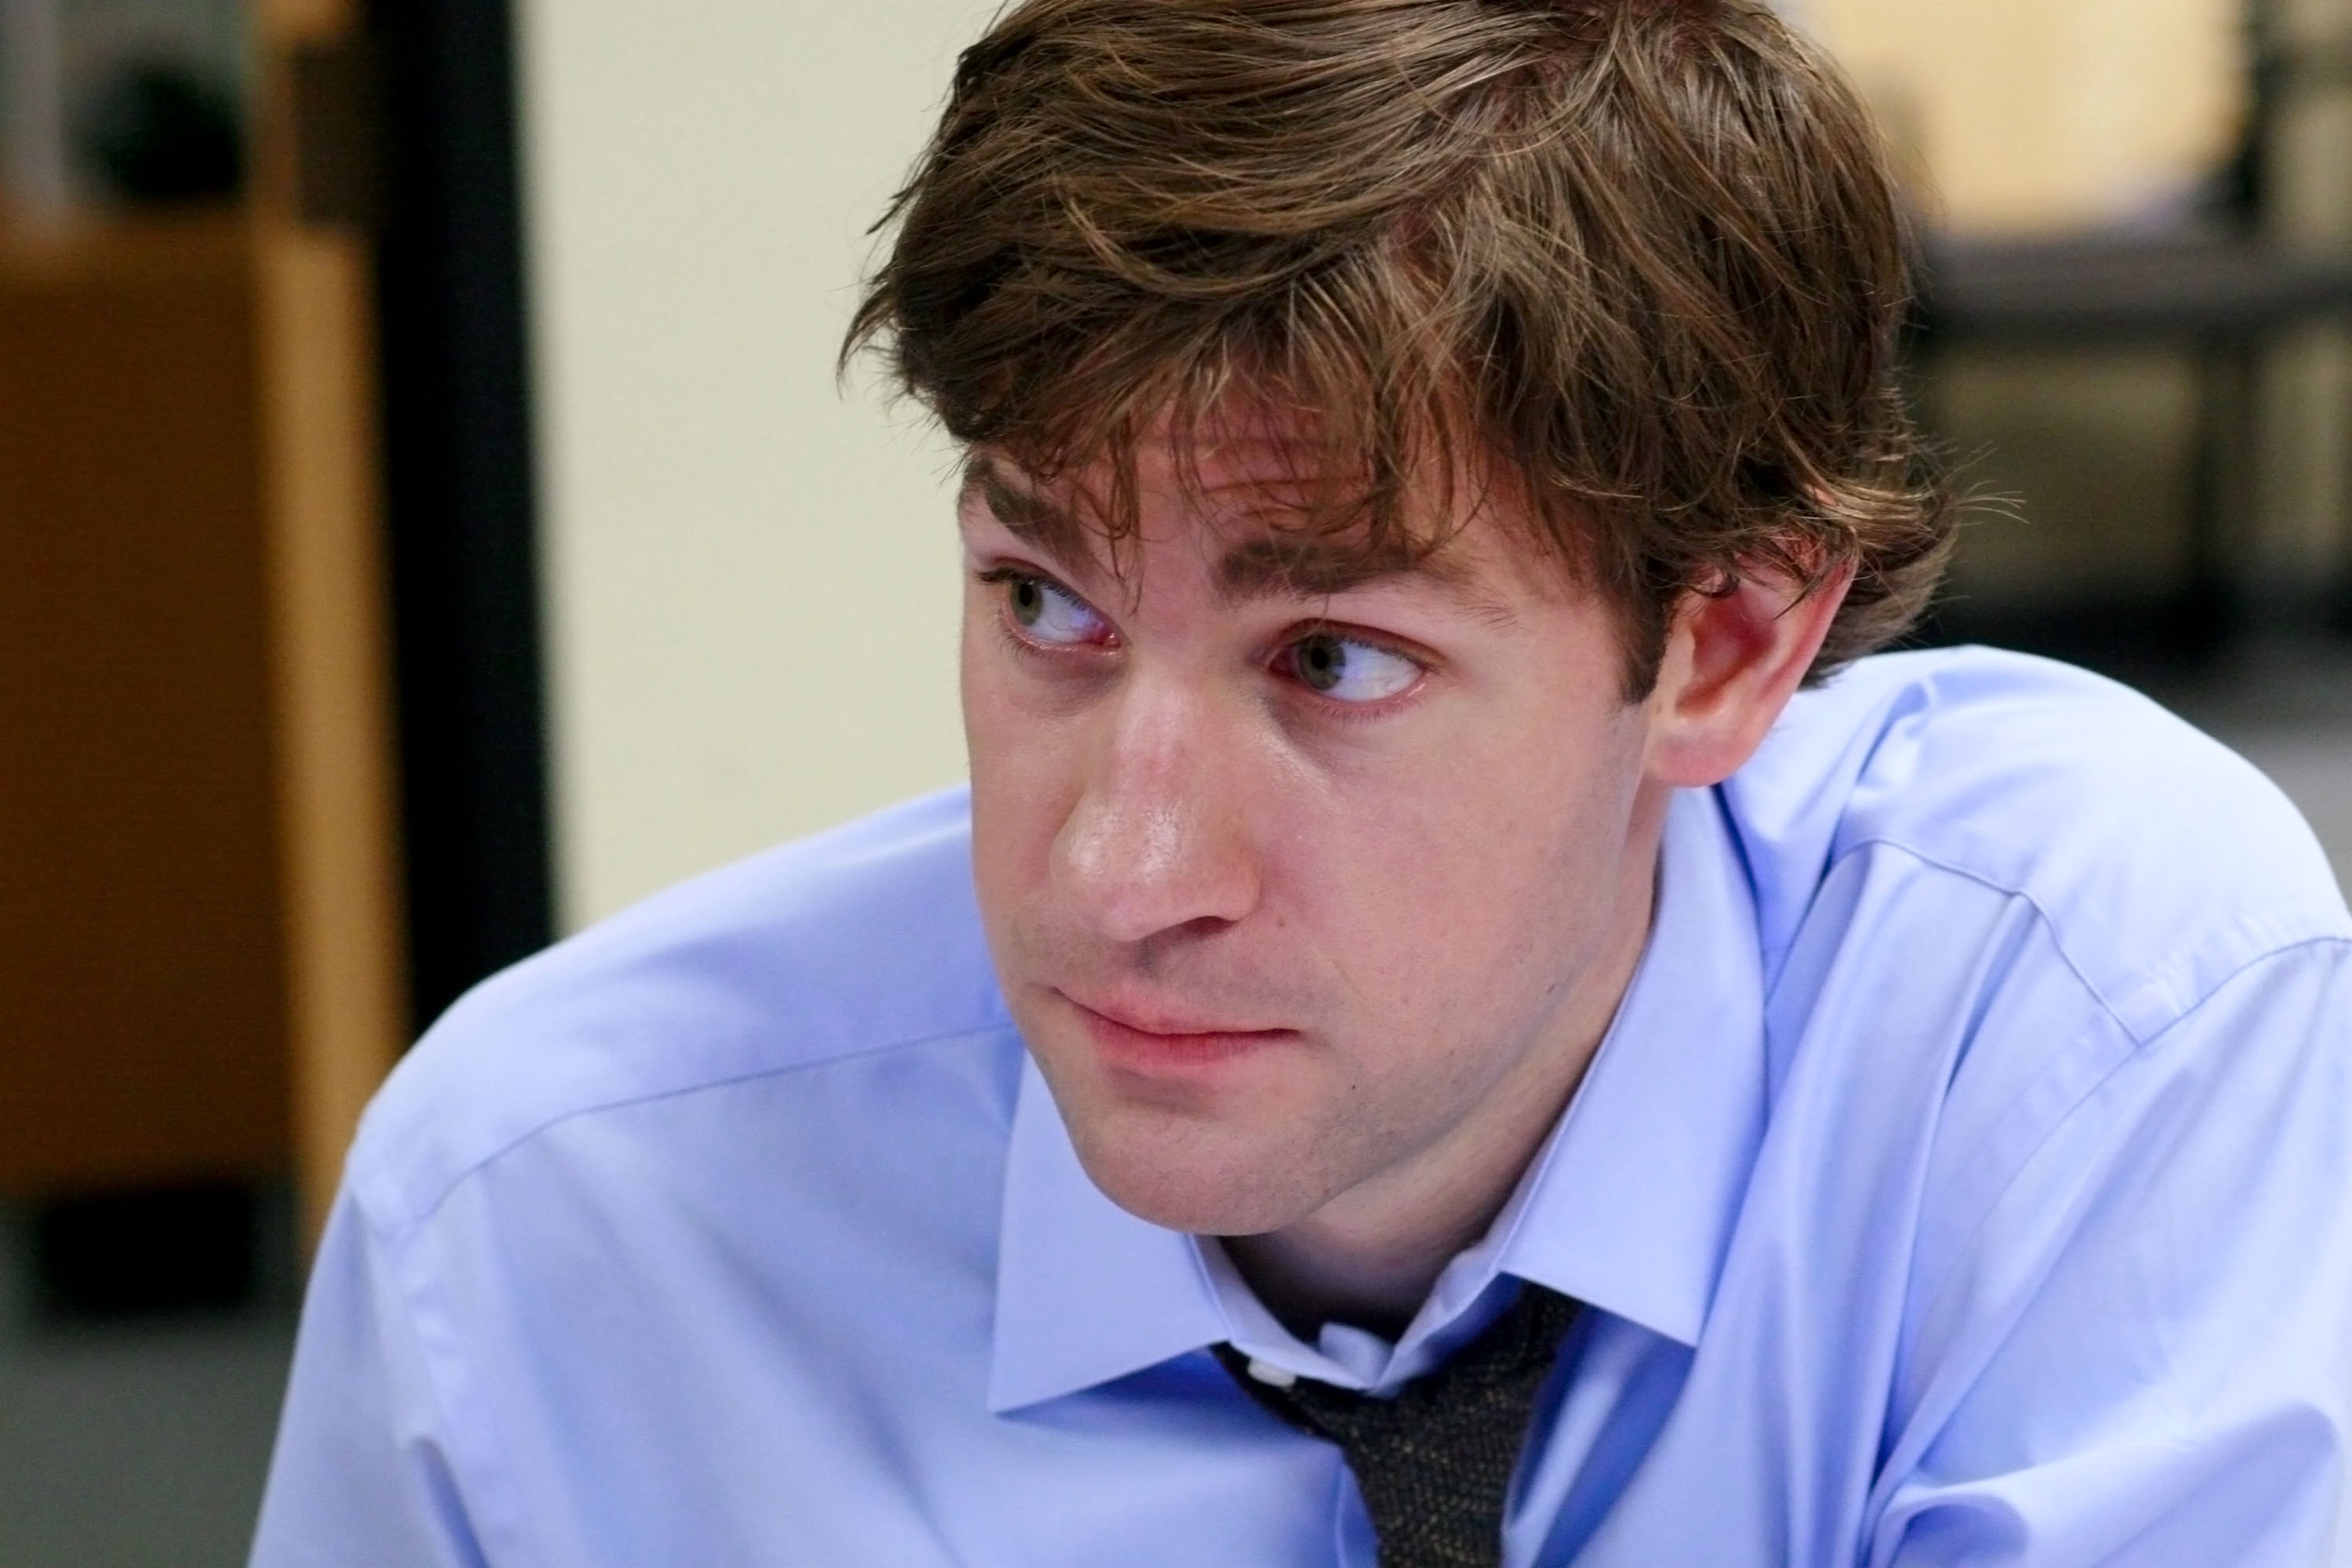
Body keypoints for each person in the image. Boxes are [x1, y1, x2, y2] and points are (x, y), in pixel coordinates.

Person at [249, 2, 2352, 1563]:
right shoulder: (548, 1236)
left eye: (1335, 659)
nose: (1119, 866)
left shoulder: (2084, 1024)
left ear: (1724, 648)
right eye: (1048, 605)